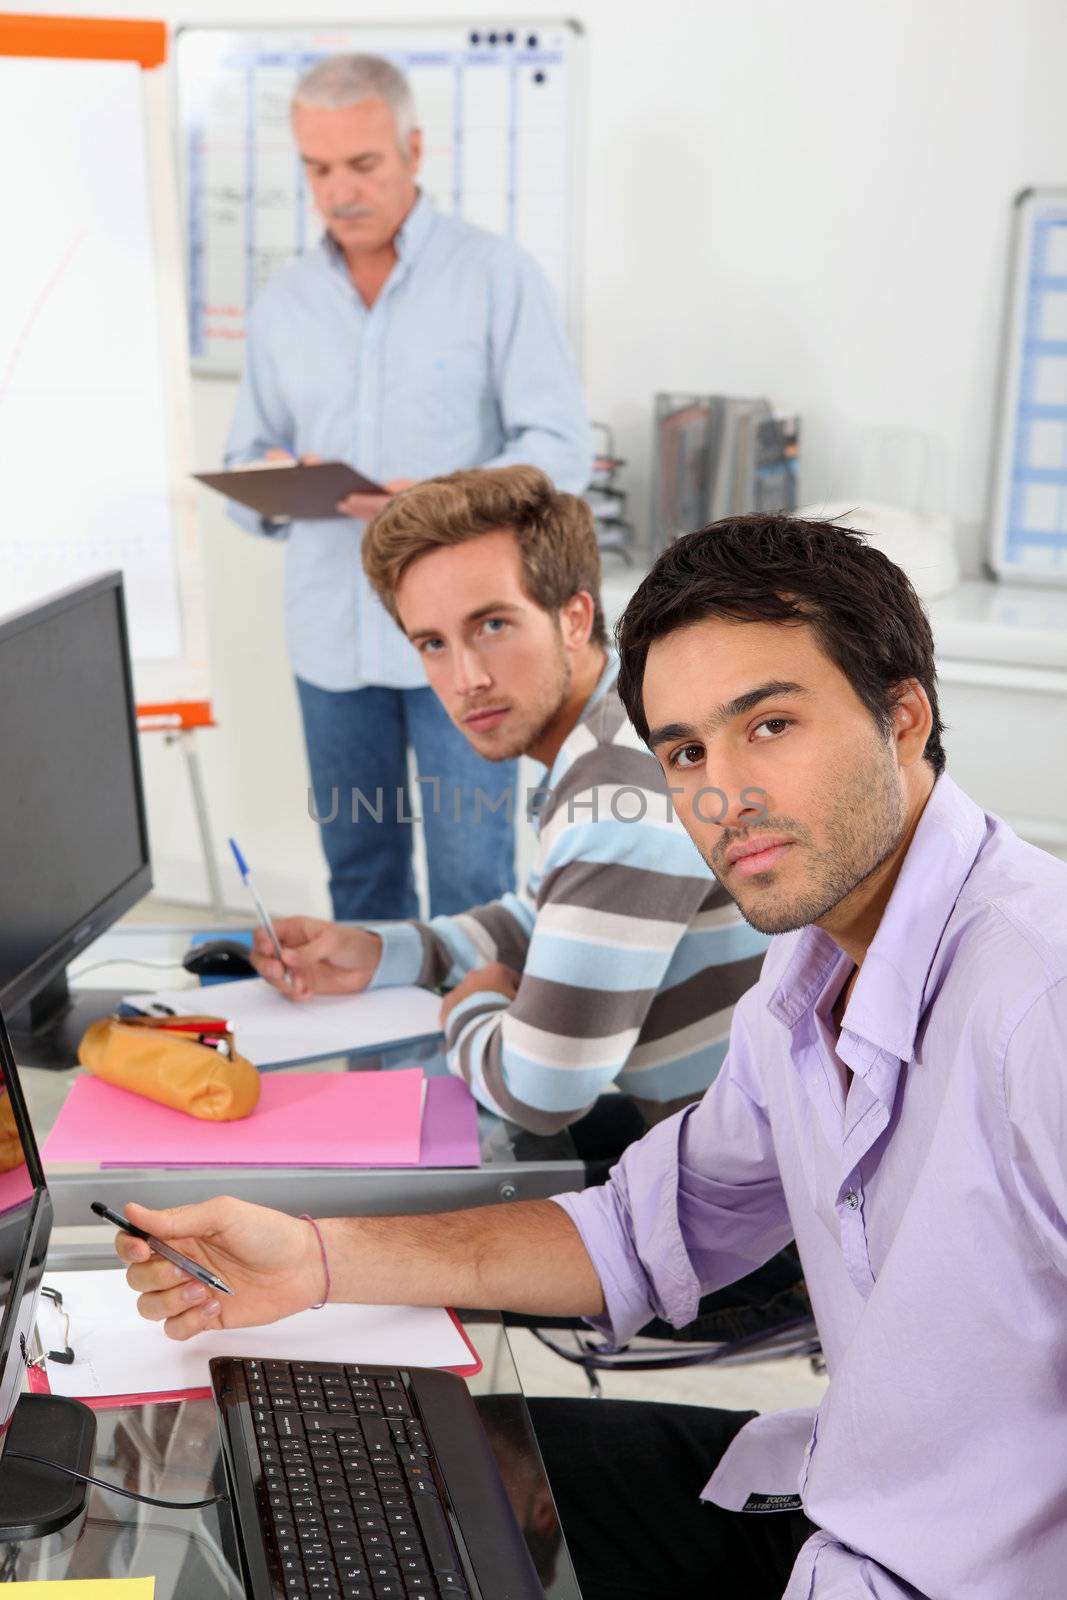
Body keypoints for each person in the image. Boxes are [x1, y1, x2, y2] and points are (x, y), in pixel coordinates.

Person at [115, 512, 1067, 1598]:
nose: (721, 796)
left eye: (768, 725)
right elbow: (633, 1229)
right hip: (844, 1502)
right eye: (686, 751)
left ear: (902, 716)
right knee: (356, 1482)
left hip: (948, 1569)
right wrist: (314, 1258)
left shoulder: (1037, 1003)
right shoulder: (800, 977)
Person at [250, 465, 768, 1136]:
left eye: (492, 625)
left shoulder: (615, 794)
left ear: (574, 617)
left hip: (749, 1203)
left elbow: (539, 1092)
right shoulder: (621, 720)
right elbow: (550, 911)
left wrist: (473, 1004)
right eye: (432, 644)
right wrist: (387, 952)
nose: (466, 680)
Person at [224, 54, 591, 922]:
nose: (340, 190)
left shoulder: (495, 275)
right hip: (330, 641)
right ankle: (377, 1061)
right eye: (318, 169)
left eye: (363, 164)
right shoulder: (283, 305)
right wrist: (283, 485)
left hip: (468, 647)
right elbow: (246, 468)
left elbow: (558, 449)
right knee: (358, 877)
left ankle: (473, 1059)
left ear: (413, 149)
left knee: (472, 883)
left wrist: (436, 498)